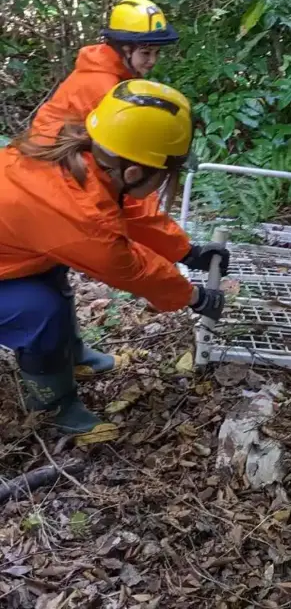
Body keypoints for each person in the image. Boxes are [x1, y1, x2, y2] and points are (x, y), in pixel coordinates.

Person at [0, 80, 229, 445]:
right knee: (39, 310)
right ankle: (54, 406)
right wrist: (194, 297)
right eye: (162, 177)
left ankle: (68, 356)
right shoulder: (74, 213)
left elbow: (127, 207)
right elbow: (131, 267)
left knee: (50, 272)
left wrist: (187, 251)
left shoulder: (79, 154)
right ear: (135, 172)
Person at [31, 0, 180, 142]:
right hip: (49, 151)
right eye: (146, 53)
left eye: (157, 53)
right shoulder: (104, 86)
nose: (152, 60)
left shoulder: (116, 69)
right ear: (126, 49)